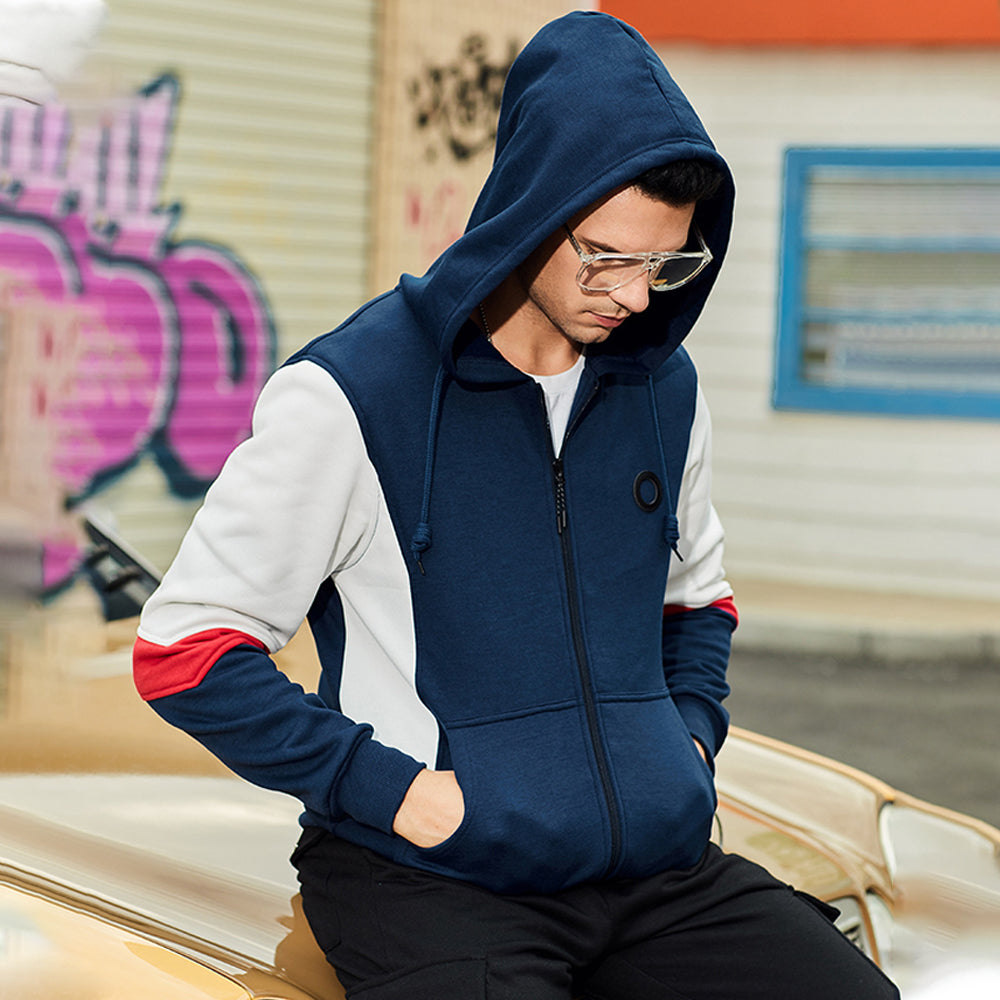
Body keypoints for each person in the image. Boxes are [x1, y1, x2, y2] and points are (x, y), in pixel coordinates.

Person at [134, 11, 900, 999]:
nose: (634, 296)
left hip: (651, 871)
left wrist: (684, 746)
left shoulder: (661, 390)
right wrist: (397, 794)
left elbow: (697, 599)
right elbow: (186, 649)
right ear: (534, 205)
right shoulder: (352, 396)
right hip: (430, 877)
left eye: (664, 264)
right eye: (605, 257)